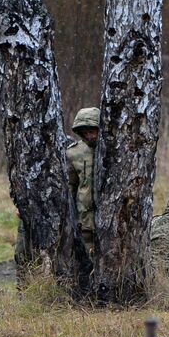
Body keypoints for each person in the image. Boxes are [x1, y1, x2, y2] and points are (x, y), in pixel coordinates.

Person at [65, 107, 99, 252]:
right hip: (85, 219)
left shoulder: (117, 149)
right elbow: (70, 186)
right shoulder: (74, 153)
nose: (89, 136)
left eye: (92, 131)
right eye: (85, 132)